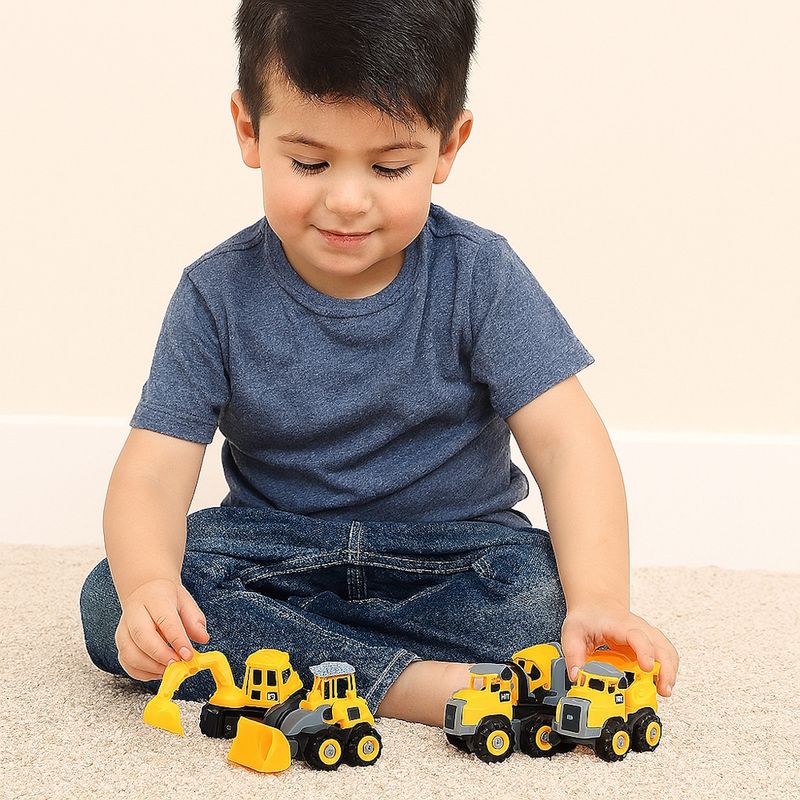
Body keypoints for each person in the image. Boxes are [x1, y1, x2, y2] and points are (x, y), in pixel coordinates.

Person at [79, 0, 679, 728]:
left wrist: (600, 600)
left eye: (390, 167)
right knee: (114, 597)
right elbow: (153, 470)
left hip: (455, 555)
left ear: (448, 147)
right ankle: (412, 683)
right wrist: (149, 585)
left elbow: (567, 442)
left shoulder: (480, 275)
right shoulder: (215, 293)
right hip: (279, 553)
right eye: (309, 162)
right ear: (248, 130)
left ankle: (318, 660)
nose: (347, 200)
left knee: (544, 602)